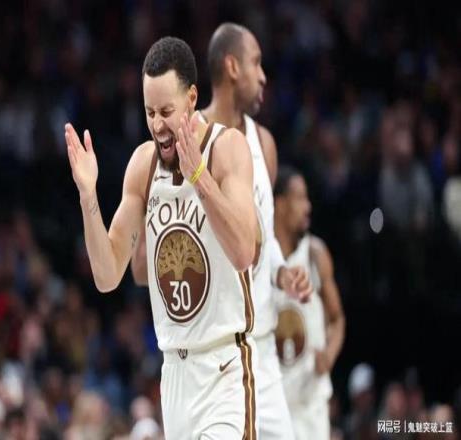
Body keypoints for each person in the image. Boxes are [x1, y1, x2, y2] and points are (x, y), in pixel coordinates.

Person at [65, 36, 259, 439]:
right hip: (173, 375)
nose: (157, 125)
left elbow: (244, 252)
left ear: (192, 98)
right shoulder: (142, 165)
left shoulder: (227, 148)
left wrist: (199, 177)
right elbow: (107, 275)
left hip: (224, 367)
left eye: (166, 111)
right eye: (150, 112)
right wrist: (88, 196)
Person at [200, 23, 311, 440]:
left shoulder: (264, 143)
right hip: (214, 354)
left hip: (261, 348)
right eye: (256, 63)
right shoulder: (190, 139)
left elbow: (263, 231)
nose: (264, 76)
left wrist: (281, 272)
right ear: (232, 67)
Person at [273, 166, 346, 440]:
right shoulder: (261, 260)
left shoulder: (315, 254)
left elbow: (338, 318)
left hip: (310, 404)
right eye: (300, 198)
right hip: (273, 401)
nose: (308, 207)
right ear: (280, 204)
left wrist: (329, 353)